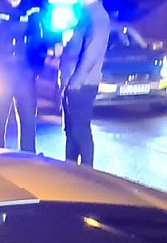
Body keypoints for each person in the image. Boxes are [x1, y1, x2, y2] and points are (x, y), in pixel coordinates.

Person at [0, 0, 42, 153]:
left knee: (28, 120)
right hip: (0, 75)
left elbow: (39, 41)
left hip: (24, 75)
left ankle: (29, 158)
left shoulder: (31, 11)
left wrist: (37, 67)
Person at [58, 0, 110, 167]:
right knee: (71, 132)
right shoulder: (84, 14)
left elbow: (91, 53)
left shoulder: (98, 16)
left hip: (82, 85)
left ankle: (86, 174)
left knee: (80, 131)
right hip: (73, 84)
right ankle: (70, 171)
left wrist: (75, 83)